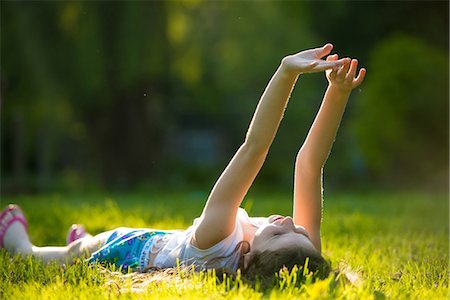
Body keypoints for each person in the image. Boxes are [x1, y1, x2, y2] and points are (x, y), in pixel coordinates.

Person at [0, 44, 365, 283]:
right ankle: (84, 242)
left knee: (71, 256)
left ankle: (19, 242)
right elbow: (309, 164)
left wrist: (286, 72)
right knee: (84, 248)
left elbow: (254, 148)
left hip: (131, 249)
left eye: (278, 232)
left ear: (244, 254)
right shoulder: (301, 253)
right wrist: (338, 92)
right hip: (167, 247)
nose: (290, 223)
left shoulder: (217, 238)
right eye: (300, 232)